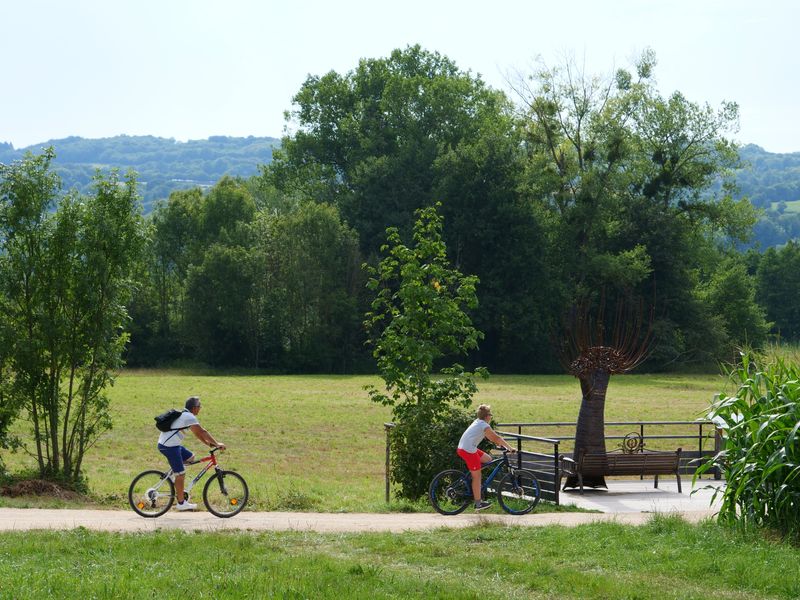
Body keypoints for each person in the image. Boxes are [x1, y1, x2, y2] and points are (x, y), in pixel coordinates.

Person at [157, 396, 225, 511]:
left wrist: (209, 444)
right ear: (194, 408)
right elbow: (203, 431)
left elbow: (198, 434)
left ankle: (174, 476)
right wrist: (217, 444)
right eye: (199, 406)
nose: (200, 409)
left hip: (172, 444)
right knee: (181, 474)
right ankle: (181, 503)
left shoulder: (186, 415)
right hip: (169, 446)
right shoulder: (189, 417)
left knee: (191, 457)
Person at [457, 404, 515, 511]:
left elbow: (490, 437)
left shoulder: (478, 422)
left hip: (466, 448)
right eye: (490, 415)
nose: (491, 417)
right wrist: (509, 448)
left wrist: (498, 444)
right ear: (487, 416)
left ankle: (473, 474)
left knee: (488, 459)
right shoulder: (484, 425)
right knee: (477, 477)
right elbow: (496, 437)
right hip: (468, 450)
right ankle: (478, 504)